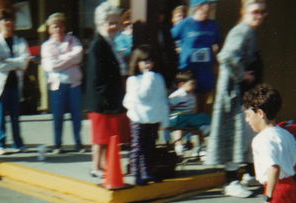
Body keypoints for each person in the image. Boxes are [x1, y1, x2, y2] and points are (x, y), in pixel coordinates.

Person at [205, 0, 267, 197]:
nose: (259, 15)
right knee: (235, 137)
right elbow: (226, 56)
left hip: (241, 94)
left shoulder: (248, 31)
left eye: (263, 12)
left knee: (246, 135)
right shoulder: (242, 31)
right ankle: (231, 182)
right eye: (255, 11)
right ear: (244, 12)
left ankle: (246, 174)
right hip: (233, 94)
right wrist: (242, 75)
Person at [85, 1, 128, 178]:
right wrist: (105, 99)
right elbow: (97, 76)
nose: (115, 27)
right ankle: (96, 167)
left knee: (106, 136)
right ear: (100, 24)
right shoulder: (99, 45)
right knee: (100, 137)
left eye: (116, 23)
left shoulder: (109, 42)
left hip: (109, 97)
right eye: (110, 23)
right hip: (102, 99)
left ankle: (102, 165)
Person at [0, 8, 31, 156]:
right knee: (0, 118)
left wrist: (8, 62)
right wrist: (16, 63)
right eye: (3, 20)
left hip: (14, 85)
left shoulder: (20, 41)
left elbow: (25, 62)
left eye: (9, 19)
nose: (7, 23)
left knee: (16, 117)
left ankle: (18, 143)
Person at [123, 45, 169, 185]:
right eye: (144, 61)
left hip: (153, 117)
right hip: (139, 118)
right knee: (138, 148)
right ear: (137, 63)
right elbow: (142, 96)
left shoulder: (158, 77)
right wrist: (148, 78)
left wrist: (164, 121)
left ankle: (147, 173)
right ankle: (137, 174)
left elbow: (162, 99)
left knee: (150, 147)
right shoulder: (133, 80)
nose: (148, 64)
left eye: (150, 61)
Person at [40, 12, 84, 154]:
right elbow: (51, 66)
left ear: (64, 27)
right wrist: (69, 60)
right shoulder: (46, 45)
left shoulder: (73, 40)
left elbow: (78, 55)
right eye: (55, 27)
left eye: (60, 26)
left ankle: (78, 143)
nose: (58, 29)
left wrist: (60, 60)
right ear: (49, 29)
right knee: (58, 117)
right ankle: (57, 144)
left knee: (76, 116)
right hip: (57, 85)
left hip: (74, 84)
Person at [170, 0, 221, 114]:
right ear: (198, 6)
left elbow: (218, 45)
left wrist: (216, 63)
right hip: (188, 72)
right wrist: (176, 52)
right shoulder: (184, 24)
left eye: (212, 4)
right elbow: (169, 40)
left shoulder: (213, 25)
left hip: (205, 72)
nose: (211, 7)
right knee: (185, 107)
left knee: (202, 108)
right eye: (208, 4)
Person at [168, 70, 211, 155]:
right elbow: (168, 106)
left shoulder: (192, 95)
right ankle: (178, 147)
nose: (194, 86)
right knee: (179, 128)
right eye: (192, 84)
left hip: (188, 117)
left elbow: (193, 110)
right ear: (181, 84)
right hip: (177, 118)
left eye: (195, 84)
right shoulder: (177, 95)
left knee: (201, 116)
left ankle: (199, 146)